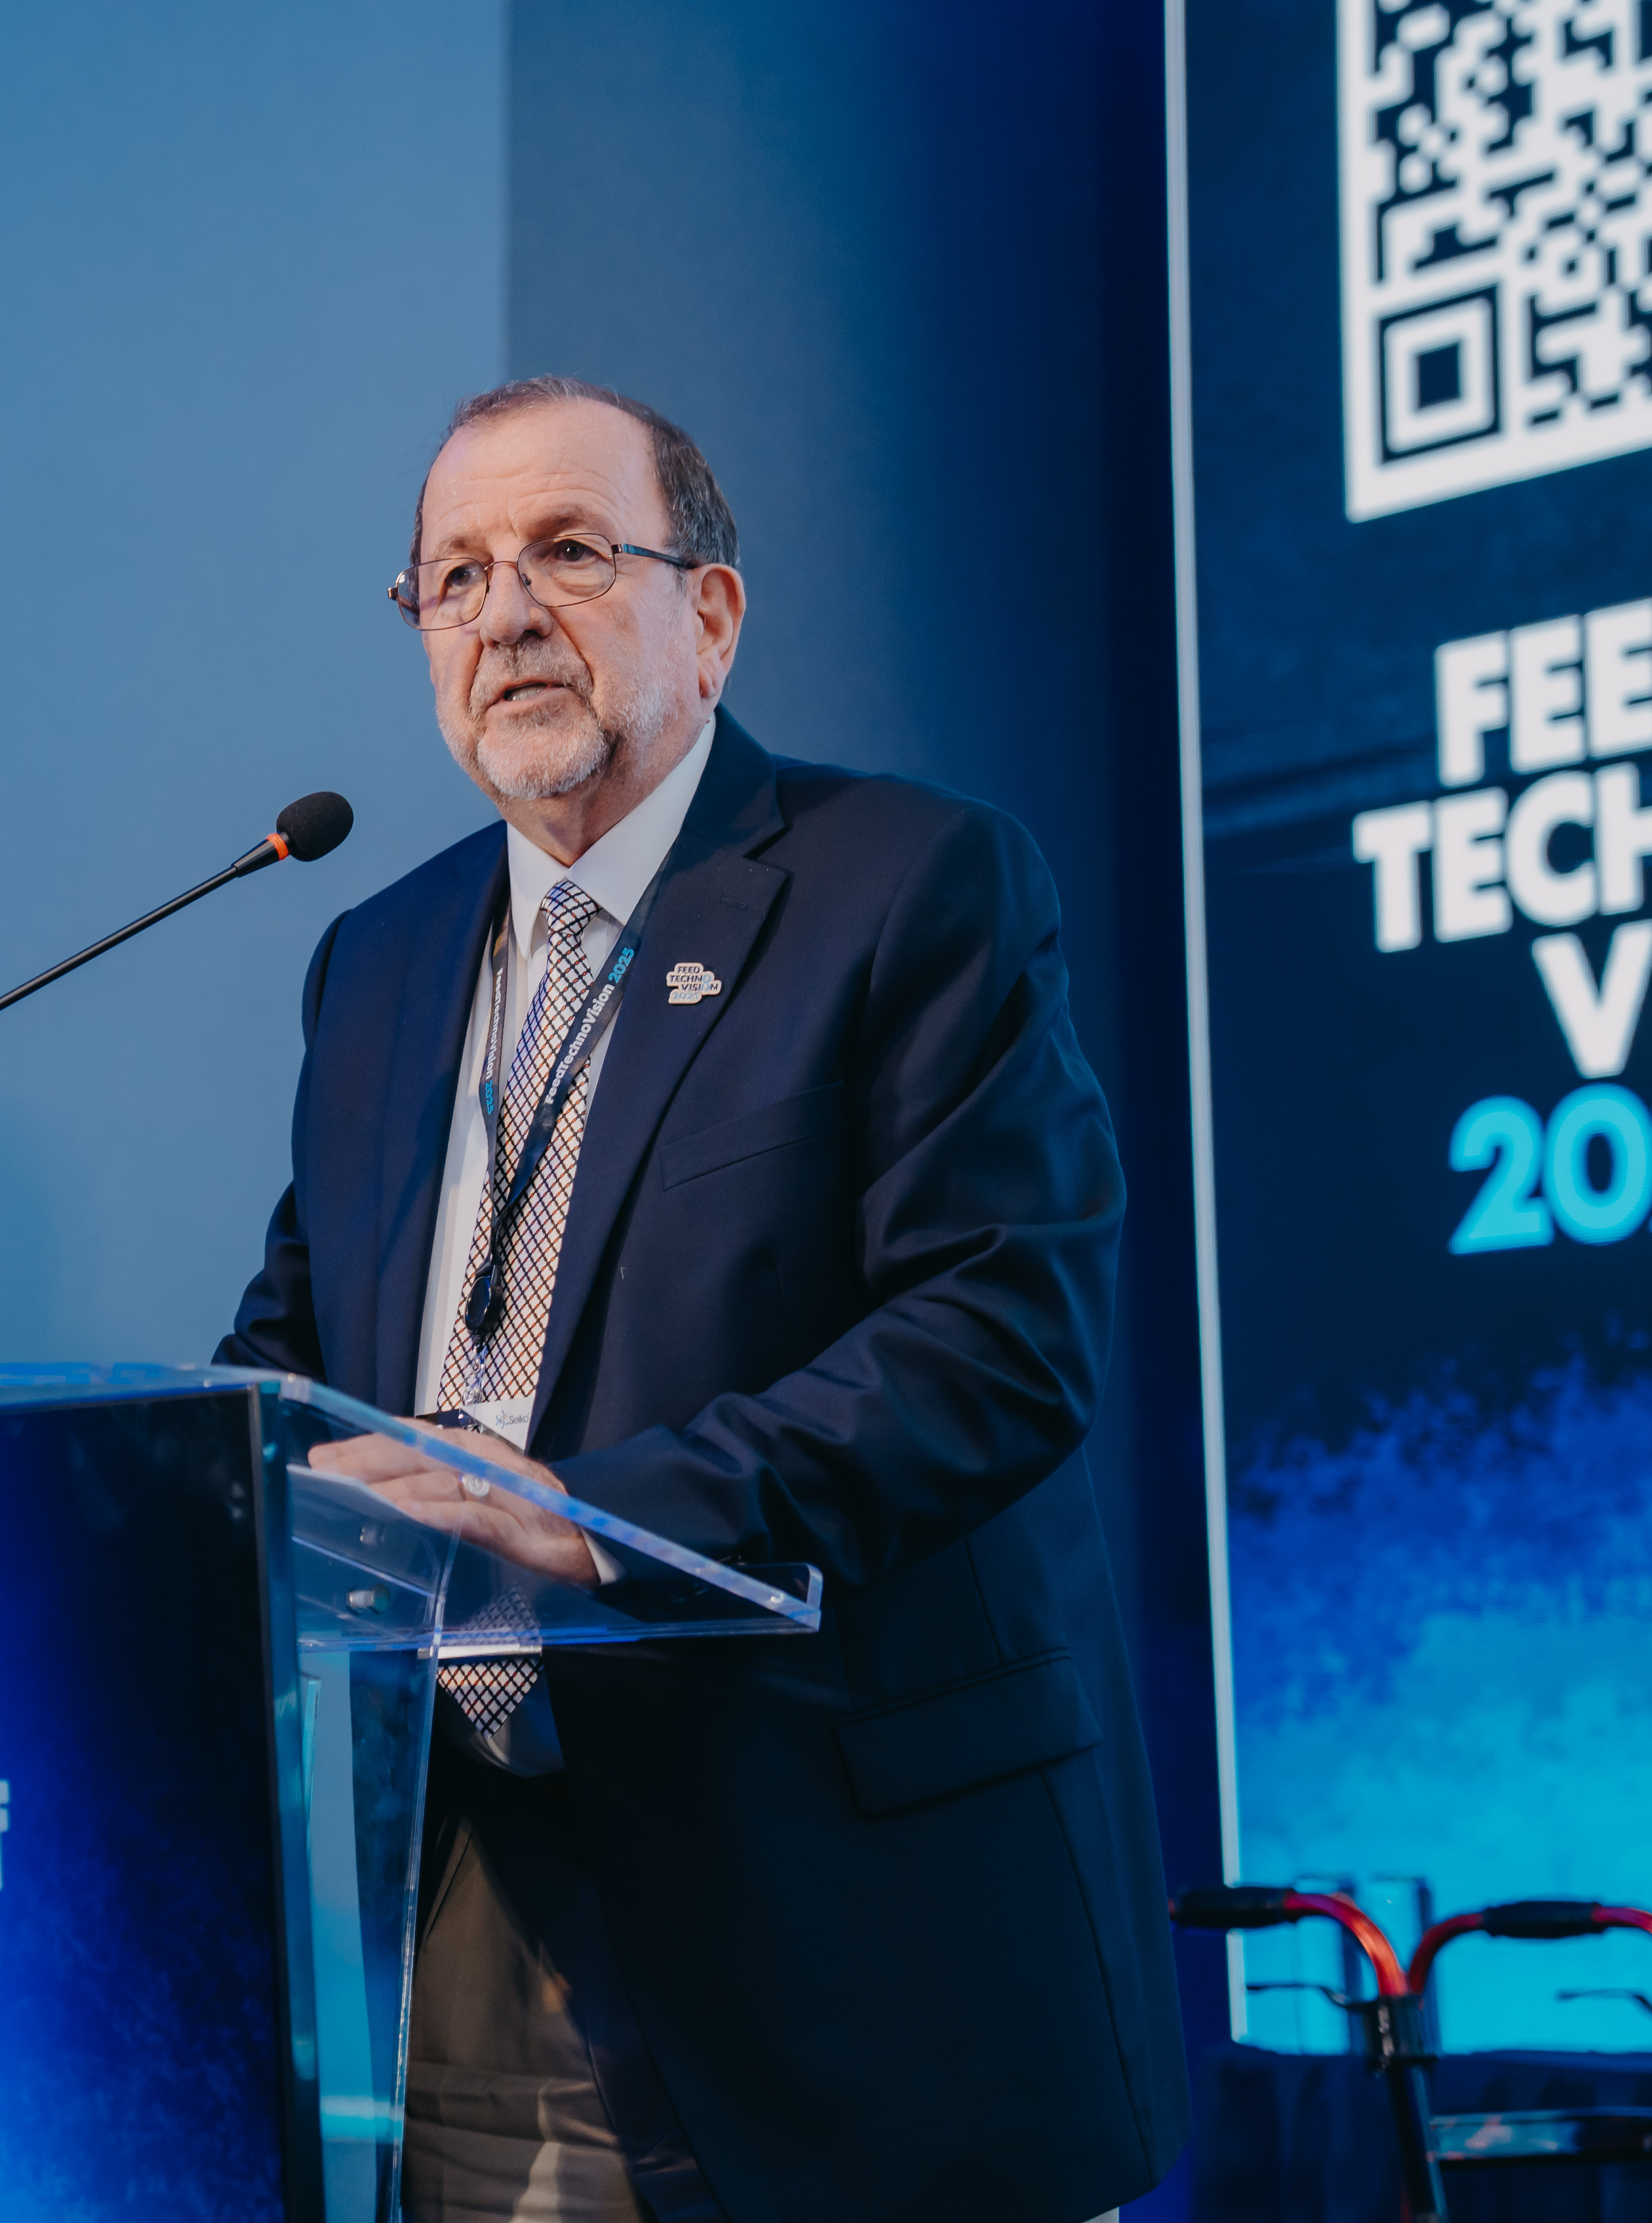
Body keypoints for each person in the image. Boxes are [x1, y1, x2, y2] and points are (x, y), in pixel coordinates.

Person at [218, 377, 1186, 2223]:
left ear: (711, 616)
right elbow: (296, 1349)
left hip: (844, 1938)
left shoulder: (910, 885)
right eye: (455, 576)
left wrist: (592, 1517)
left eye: (570, 553)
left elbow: (997, 1335)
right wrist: (192, 1494)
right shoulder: (378, 961)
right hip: (464, 1922)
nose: (507, 613)